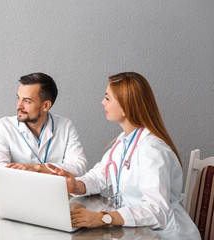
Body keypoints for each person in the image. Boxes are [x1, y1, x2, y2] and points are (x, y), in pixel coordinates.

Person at [47, 72, 200, 239]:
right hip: (137, 232)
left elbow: (156, 211)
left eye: (107, 98)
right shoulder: (123, 142)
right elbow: (99, 177)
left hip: (166, 235)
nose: (102, 102)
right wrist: (75, 185)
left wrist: (103, 218)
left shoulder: (153, 150)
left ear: (126, 106)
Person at [0, 72, 87, 176]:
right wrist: (49, 171)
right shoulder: (3, 127)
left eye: (27, 101)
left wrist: (35, 168)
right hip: (16, 191)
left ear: (46, 105)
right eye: (18, 99)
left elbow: (80, 168)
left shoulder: (66, 127)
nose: (19, 106)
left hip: (54, 191)